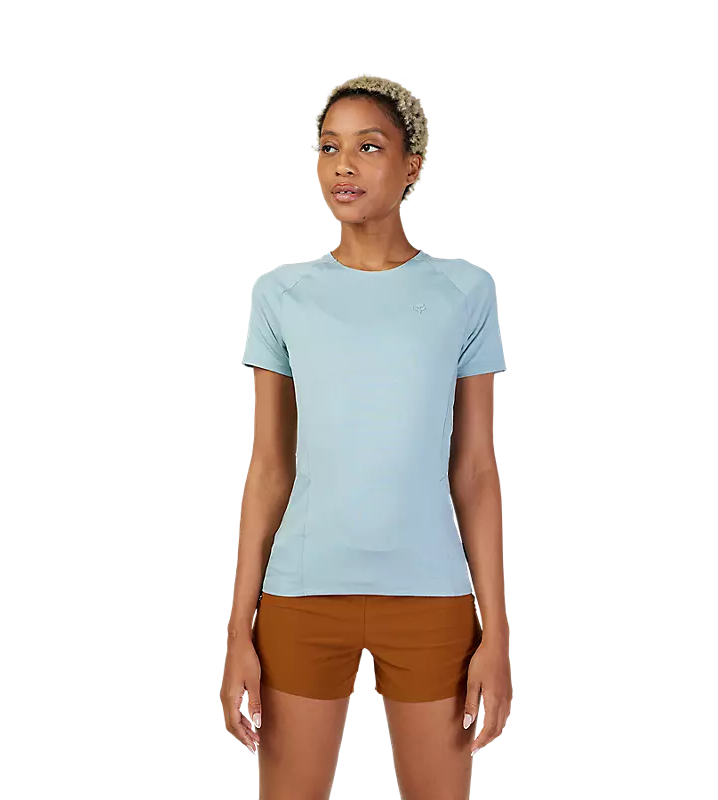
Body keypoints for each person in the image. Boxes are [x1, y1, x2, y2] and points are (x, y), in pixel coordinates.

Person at [221, 71, 513, 799]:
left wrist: (498, 633)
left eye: (368, 147)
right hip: (300, 597)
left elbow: (476, 471)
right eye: (329, 147)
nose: (342, 166)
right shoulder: (281, 294)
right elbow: (269, 468)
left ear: (413, 165)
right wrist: (237, 634)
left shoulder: (465, 291)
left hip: (433, 599)